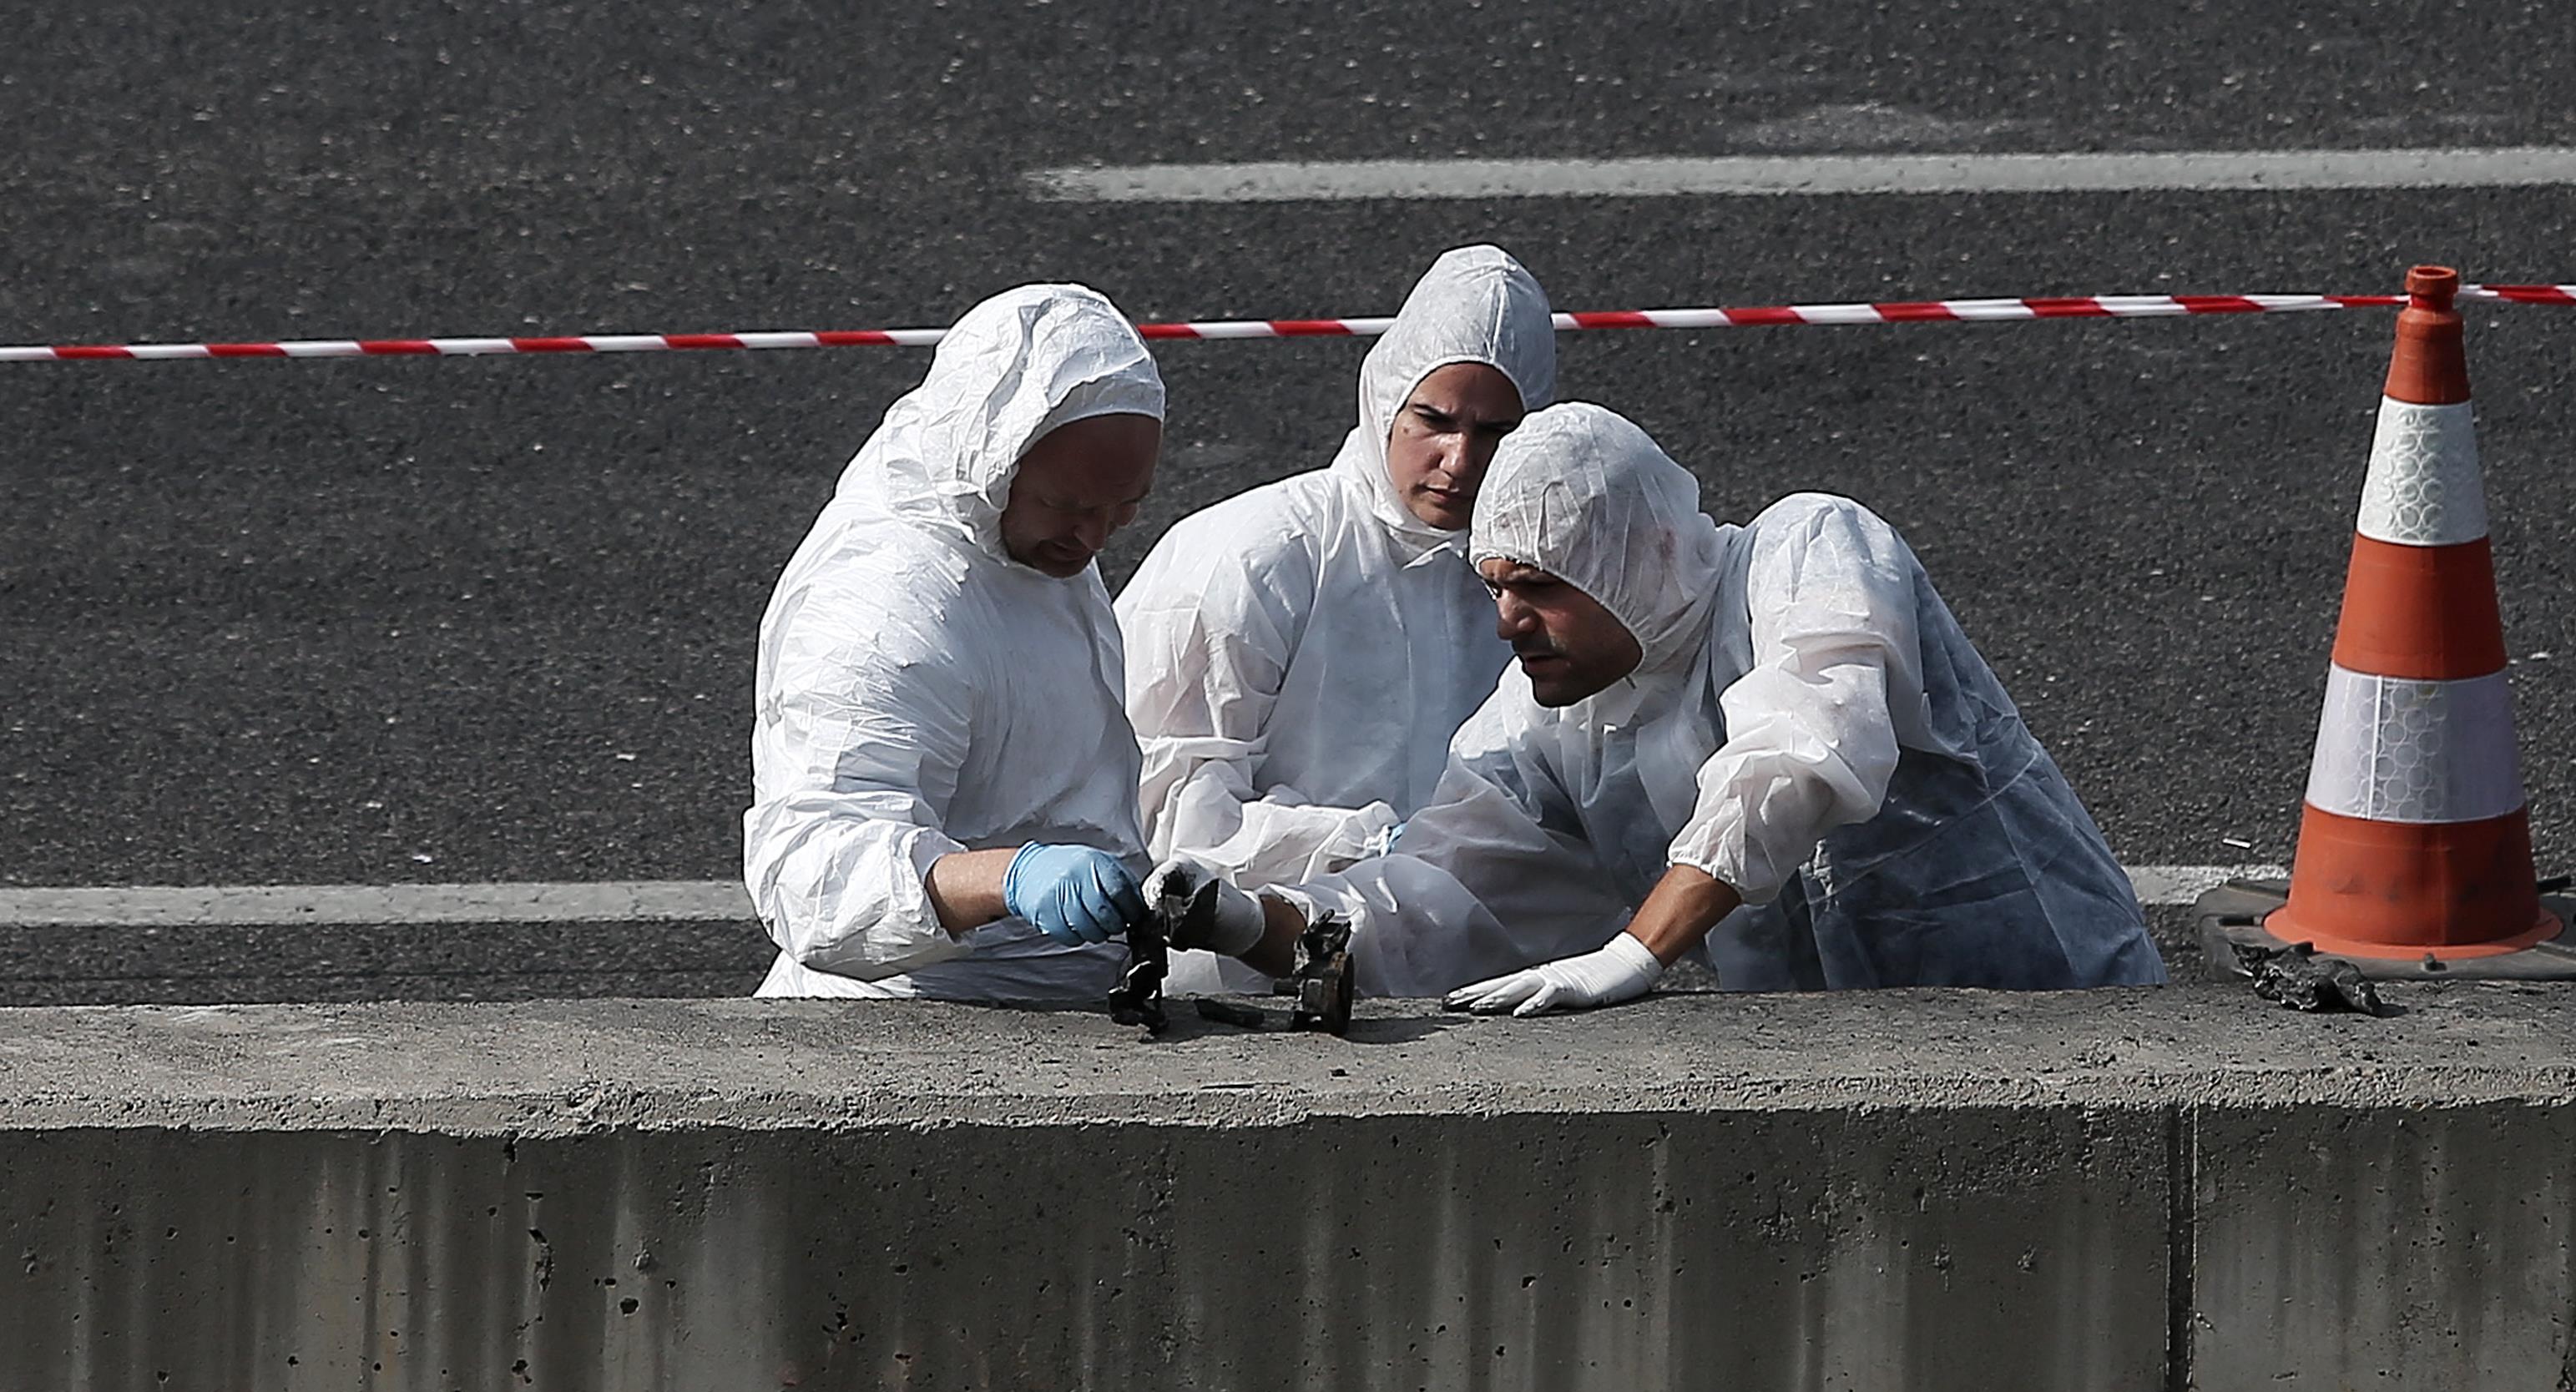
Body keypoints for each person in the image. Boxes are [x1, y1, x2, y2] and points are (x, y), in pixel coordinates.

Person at [1146, 401, 2167, 1012]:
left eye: (1537, 586)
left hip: (2062, 1017)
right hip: (1845, 1066)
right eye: (1492, 587)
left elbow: (1801, 750)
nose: (1505, 623)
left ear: (1638, 557)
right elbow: (1440, 899)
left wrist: (1636, 951)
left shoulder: (1805, 552)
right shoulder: (1547, 723)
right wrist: (1248, 918)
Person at [743, 284, 1165, 1002]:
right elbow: (814, 873)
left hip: (1045, 1011)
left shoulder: (1024, 541)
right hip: (896, 1032)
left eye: (1124, 509)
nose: (1095, 538)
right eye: (1068, 506)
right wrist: (1008, 878)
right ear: (994, 457)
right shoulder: (882, 608)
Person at [1114, 245, 1556, 905]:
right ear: (1386, 401)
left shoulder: (1534, 574)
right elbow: (1164, 812)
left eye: (1496, 432)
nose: (1460, 461)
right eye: (1434, 421)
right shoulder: (1257, 557)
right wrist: (1375, 849)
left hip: (1464, 944)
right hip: (1245, 952)